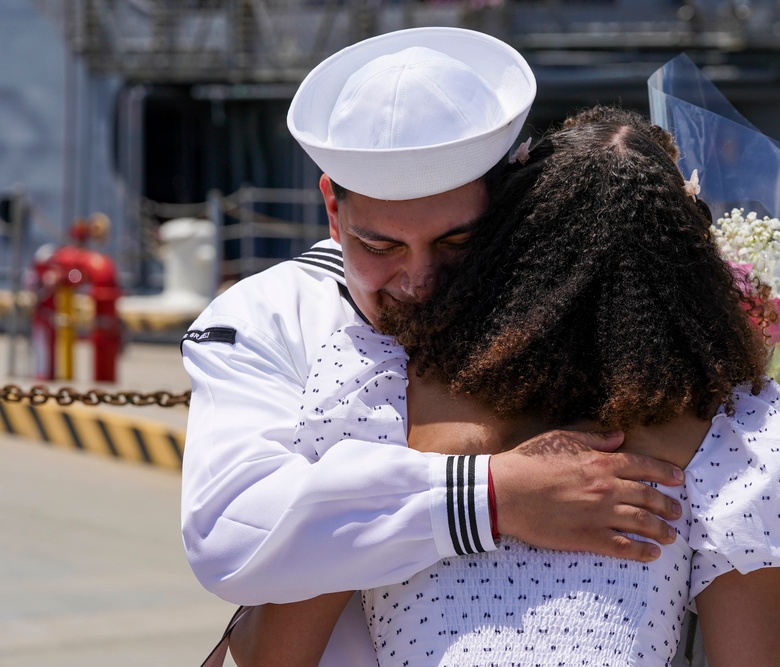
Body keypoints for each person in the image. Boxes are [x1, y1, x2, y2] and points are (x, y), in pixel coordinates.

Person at [231, 106, 780, 667]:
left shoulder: (382, 388)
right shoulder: (721, 433)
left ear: (503, 247)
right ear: (689, 270)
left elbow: (273, 654)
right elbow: (763, 660)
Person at [182, 27, 687, 664]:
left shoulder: (576, 302)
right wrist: (495, 496)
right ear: (333, 212)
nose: (419, 282)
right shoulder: (270, 316)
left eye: (454, 243)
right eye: (381, 247)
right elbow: (229, 532)